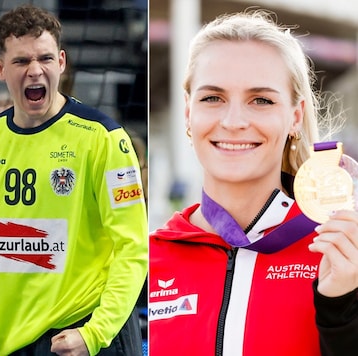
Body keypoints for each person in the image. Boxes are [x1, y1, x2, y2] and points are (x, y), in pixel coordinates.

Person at [149, 10, 358, 356]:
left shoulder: (338, 252)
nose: (233, 122)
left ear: (294, 116)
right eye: (212, 98)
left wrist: (344, 311)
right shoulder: (148, 258)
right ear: (188, 112)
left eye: (261, 100)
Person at [0, 4, 148, 356]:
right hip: (14, 339)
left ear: (62, 63)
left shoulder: (103, 137)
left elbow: (132, 246)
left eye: (45, 59)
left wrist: (95, 333)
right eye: (22, 61)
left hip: (88, 331)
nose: (35, 71)